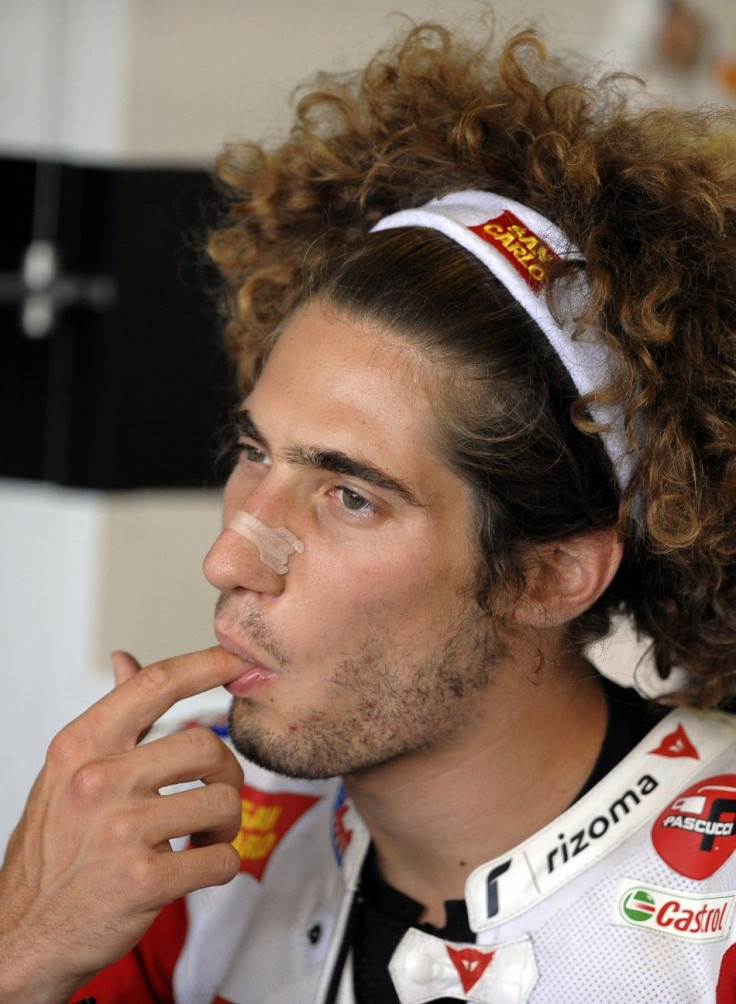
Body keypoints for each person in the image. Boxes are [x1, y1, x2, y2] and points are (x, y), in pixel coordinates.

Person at [2, 14, 736, 1004]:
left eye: (349, 493)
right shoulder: (177, 850)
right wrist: (26, 946)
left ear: (552, 572)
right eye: (254, 452)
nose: (230, 555)